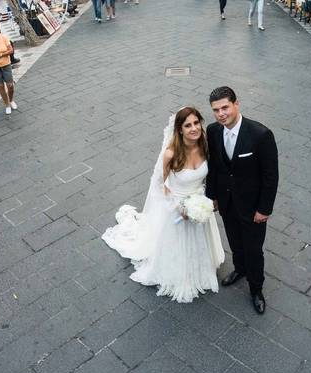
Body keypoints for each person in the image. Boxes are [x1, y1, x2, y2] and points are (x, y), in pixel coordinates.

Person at [102, 107, 225, 303]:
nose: (194, 128)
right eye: (187, 125)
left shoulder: (206, 146)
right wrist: (178, 207)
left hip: (198, 203)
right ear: (179, 130)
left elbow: (210, 178)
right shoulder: (171, 154)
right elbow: (159, 186)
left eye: (196, 123)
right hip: (177, 208)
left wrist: (204, 201)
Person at [205, 87, 279, 315]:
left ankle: (256, 289)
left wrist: (264, 209)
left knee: (254, 250)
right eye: (216, 110)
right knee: (235, 242)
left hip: (253, 207)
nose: (221, 114)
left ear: (237, 104)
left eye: (225, 107)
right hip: (227, 203)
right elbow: (214, 167)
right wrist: (213, 196)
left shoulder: (260, 134)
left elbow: (271, 176)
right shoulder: (213, 131)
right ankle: (239, 269)